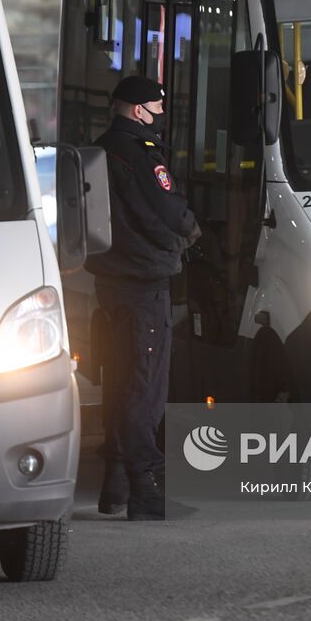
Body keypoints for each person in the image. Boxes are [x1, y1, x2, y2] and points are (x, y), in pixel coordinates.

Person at [86, 75, 200, 520]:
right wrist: (192, 232)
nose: (159, 119)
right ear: (138, 111)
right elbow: (171, 210)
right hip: (143, 284)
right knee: (144, 388)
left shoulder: (97, 151)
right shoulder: (141, 154)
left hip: (109, 284)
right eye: (156, 110)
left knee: (118, 382)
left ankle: (114, 487)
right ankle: (145, 489)